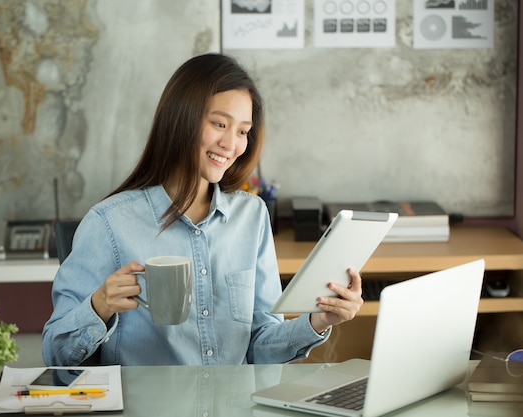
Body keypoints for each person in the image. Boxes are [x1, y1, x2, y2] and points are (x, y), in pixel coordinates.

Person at [42, 53, 363, 366]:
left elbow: (260, 347)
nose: (231, 143)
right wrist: (99, 307)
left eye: (242, 131)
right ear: (181, 119)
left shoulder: (251, 216)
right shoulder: (109, 222)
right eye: (220, 124)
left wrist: (318, 321)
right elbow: (55, 354)